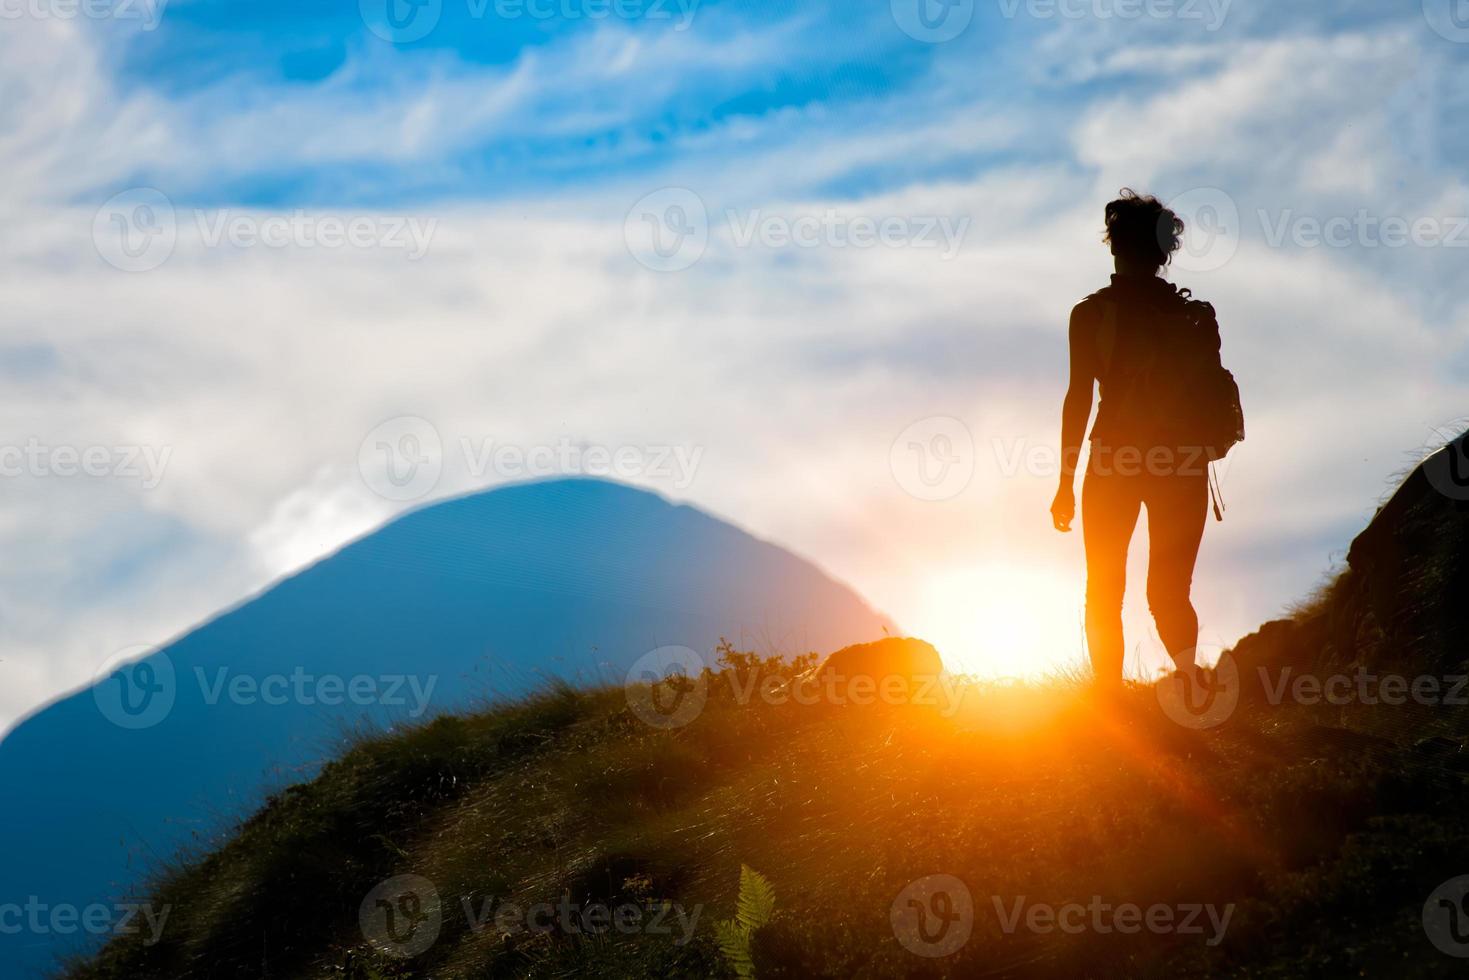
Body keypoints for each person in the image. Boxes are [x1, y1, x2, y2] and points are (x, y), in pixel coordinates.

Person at [1050, 190, 1218, 690]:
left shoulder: (1091, 315)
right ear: (1164, 251)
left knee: (1103, 590)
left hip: (1111, 461)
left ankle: (1109, 705)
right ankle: (1191, 689)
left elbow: (1078, 399)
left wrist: (1063, 482)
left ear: (1114, 247)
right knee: (1169, 592)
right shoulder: (1195, 316)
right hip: (1184, 464)